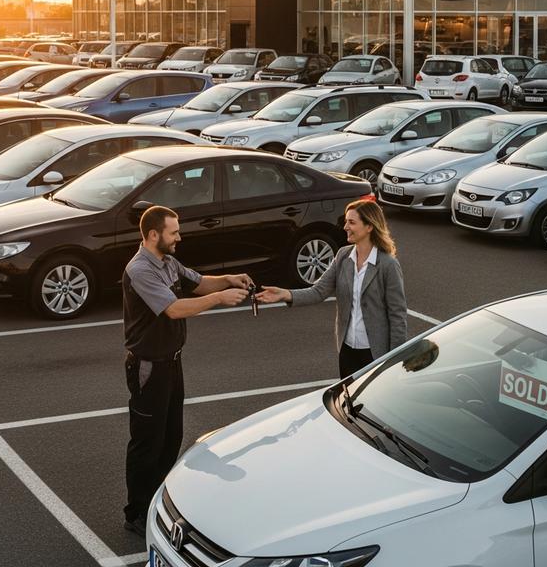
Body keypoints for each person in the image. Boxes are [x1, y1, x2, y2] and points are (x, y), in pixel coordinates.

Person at [122, 205, 251, 536]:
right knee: (147, 443)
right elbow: (174, 309)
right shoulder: (140, 270)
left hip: (172, 362)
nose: (180, 236)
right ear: (154, 235)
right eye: (174, 231)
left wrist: (228, 279)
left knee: (171, 437)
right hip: (149, 367)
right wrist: (221, 298)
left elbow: (199, 282)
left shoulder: (168, 262)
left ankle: (157, 502)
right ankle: (136, 512)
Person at [257, 199, 407, 378]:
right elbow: (318, 291)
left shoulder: (388, 265)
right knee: (348, 402)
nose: (345, 227)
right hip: (347, 350)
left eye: (352, 222)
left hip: (376, 354)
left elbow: (397, 315)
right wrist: (285, 294)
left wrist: (395, 359)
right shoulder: (343, 256)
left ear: (369, 227)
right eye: (346, 221)